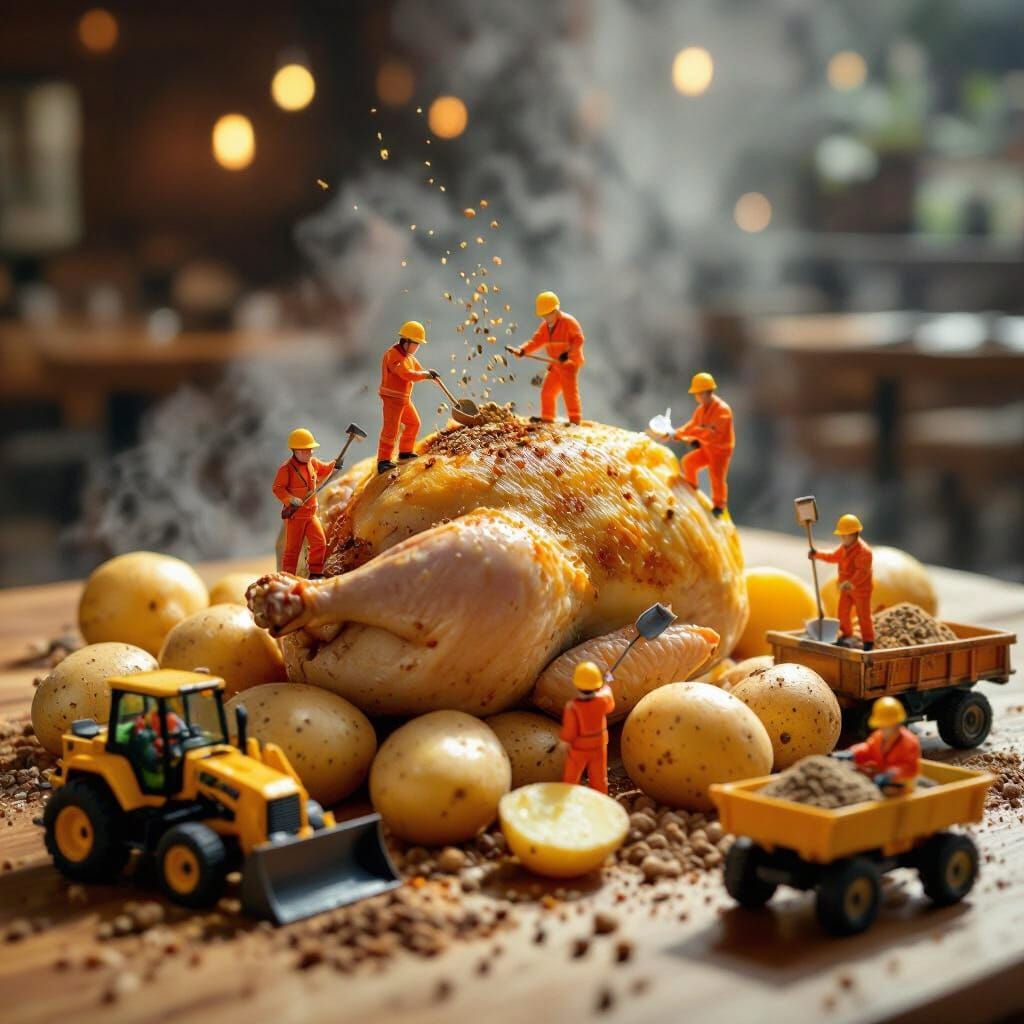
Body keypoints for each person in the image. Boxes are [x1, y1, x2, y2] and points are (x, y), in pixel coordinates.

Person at [509, 291, 585, 424]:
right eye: (543, 315)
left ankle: (575, 420)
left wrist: (568, 353)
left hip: (569, 363)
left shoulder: (569, 322)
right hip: (555, 364)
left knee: (569, 392)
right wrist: (522, 350)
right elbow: (536, 341)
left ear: (556, 310)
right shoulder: (545, 327)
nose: (546, 318)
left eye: (548, 314)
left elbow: (579, 340)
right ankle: (547, 418)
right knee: (548, 391)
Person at [272, 428, 336, 579]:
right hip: (296, 517)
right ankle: (287, 578)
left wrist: (335, 464)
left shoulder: (313, 463)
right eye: (307, 450)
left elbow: (325, 469)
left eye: (311, 449)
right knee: (292, 551)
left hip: (310, 514)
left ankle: (315, 573)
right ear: (297, 451)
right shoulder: (286, 469)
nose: (311, 453)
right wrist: (290, 499)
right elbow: (277, 489)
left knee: (319, 542)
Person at [377, 320, 439, 474]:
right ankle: (383, 460)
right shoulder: (393, 355)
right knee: (391, 430)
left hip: (403, 399)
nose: (417, 347)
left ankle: (405, 452)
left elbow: (418, 370)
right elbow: (407, 374)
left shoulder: (408, 357)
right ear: (407, 341)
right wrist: (425, 375)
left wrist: (429, 374)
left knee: (414, 423)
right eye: (416, 343)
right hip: (392, 399)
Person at [810, 513, 874, 650]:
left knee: (863, 615)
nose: (842, 538)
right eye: (841, 535)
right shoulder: (844, 548)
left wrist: (851, 582)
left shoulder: (864, 552)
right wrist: (817, 554)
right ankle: (847, 635)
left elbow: (862, 572)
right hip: (846, 588)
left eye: (844, 535)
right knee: (843, 613)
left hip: (861, 590)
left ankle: (868, 641)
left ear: (854, 534)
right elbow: (833, 556)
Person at [674, 372, 734, 517]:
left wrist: (694, 435)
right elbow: (692, 425)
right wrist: (677, 433)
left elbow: (714, 434)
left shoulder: (723, 410)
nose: (697, 397)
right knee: (688, 462)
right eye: (696, 394)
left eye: (699, 393)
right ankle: (691, 489)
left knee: (716, 477)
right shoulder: (701, 410)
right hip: (707, 448)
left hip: (720, 451)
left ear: (708, 392)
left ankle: (719, 505)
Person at [835, 696, 920, 794]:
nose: (883, 728)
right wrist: (852, 753)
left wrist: (891, 774)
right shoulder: (879, 736)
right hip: (883, 778)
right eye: (881, 724)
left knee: (885, 790)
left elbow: (909, 767)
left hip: (904, 784)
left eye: (887, 725)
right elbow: (868, 749)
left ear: (897, 723)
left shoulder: (909, 742)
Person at [560, 661, 615, 794]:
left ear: (577, 685)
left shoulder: (573, 707)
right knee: (599, 778)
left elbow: (570, 730)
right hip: (599, 745)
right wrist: (606, 684)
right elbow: (610, 703)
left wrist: (564, 741)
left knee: (571, 778)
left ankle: (567, 800)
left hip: (579, 747)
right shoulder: (603, 700)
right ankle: (602, 800)